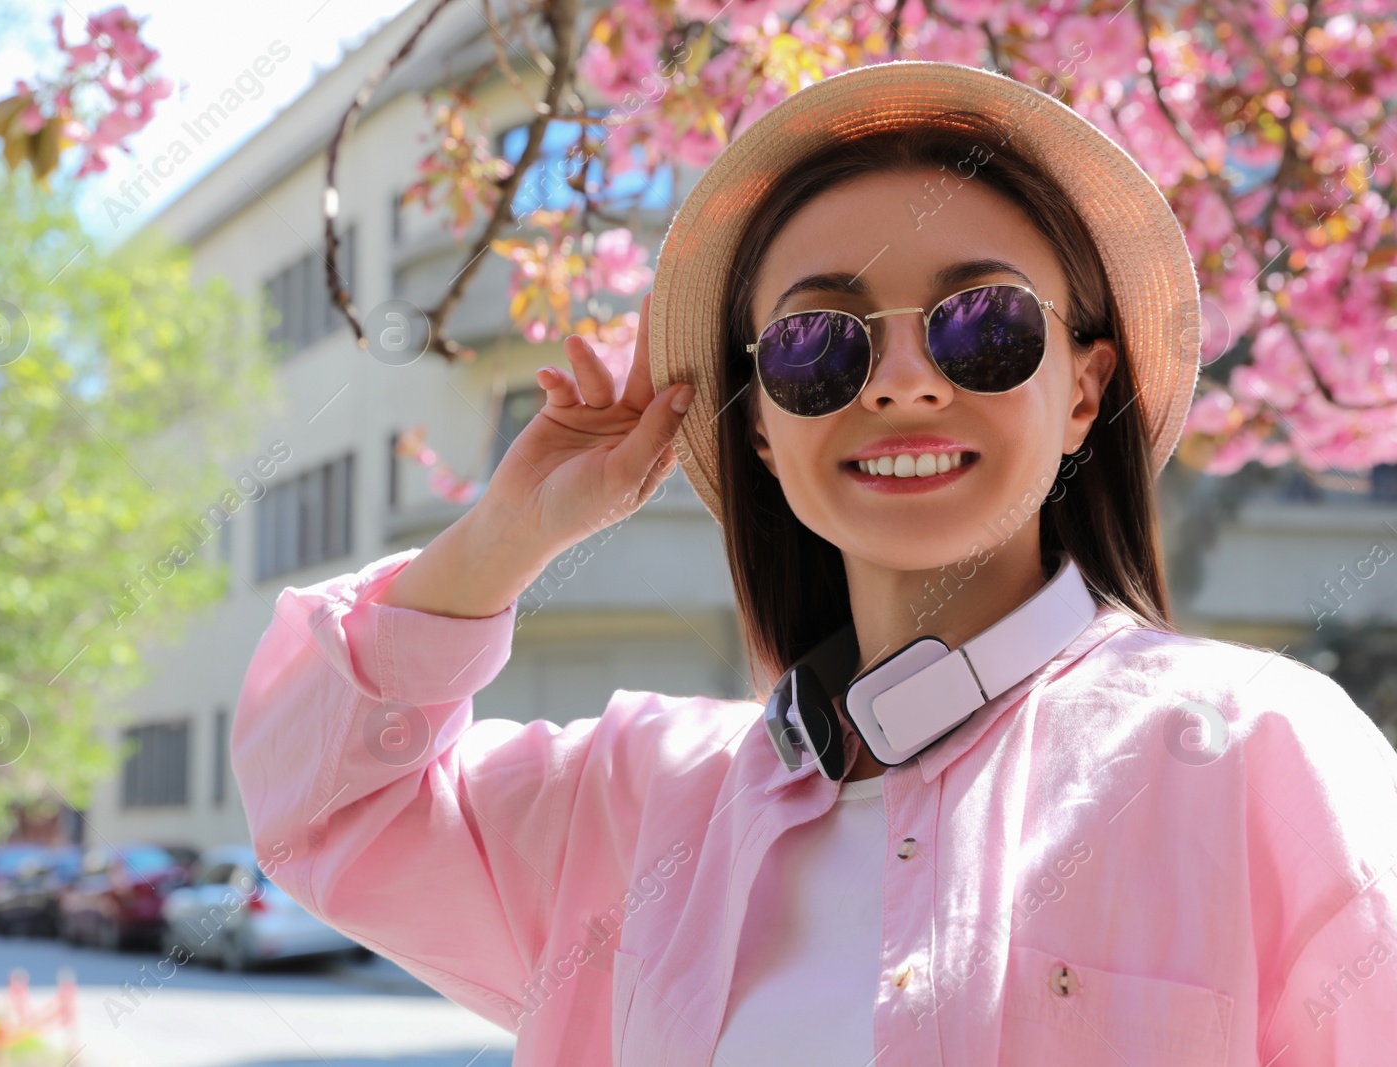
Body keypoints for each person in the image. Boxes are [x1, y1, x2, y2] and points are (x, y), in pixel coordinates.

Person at [230, 60, 1397, 1065]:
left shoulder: (1253, 750)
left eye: (983, 324)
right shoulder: (639, 812)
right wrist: (505, 536)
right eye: (815, 342)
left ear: (1083, 386)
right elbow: (326, 800)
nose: (899, 382)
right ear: (758, 424)